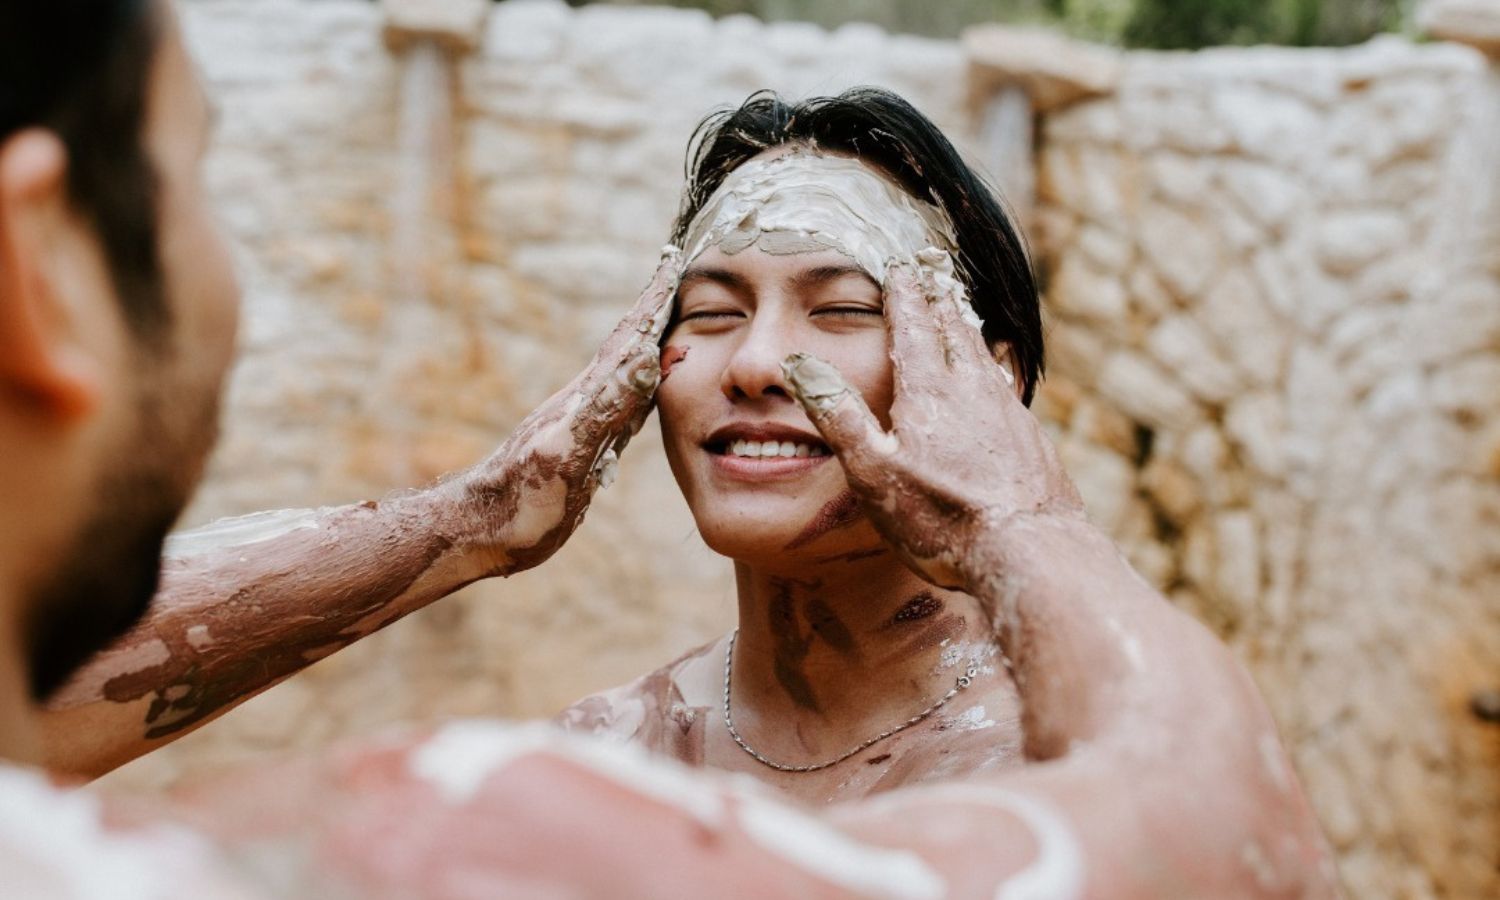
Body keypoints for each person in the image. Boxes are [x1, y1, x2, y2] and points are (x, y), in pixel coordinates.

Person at [6, 1, 1342, 895]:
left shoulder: (1033, 746)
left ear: (985, 387)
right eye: (706, 316)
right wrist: (1027, 530)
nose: (758, 361)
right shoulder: (590, 759)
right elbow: (1226, 812)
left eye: (839, 307)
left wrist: (483, 520)